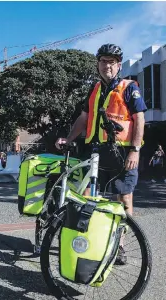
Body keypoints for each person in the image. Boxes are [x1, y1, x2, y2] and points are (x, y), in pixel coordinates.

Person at [55, 43, 147, 265]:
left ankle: (120, 246)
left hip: (122, 152)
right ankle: (85, 241)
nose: (107, 65)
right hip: (96, 151)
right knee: (87, 195)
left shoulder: (129, 87)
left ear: (118, 66)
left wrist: (135, 150)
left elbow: (139, 119)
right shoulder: (94, 89)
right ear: (98, 64)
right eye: (104, 61)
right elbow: (84, 117)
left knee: (123, 198)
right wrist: (69, 138)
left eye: (112, 62)